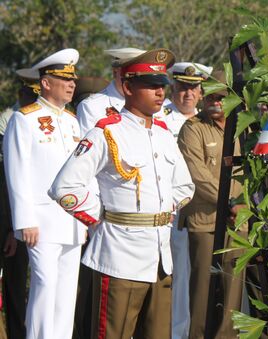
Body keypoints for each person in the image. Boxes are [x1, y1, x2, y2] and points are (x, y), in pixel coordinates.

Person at [48, 48, 194, 339]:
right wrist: (103, 215)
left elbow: (184, 185)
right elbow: (64, 187)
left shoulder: (164, 134)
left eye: (162, 85)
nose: (160, 92)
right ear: (127, 87)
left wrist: (160, 212)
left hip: (160, 257)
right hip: (119, 256)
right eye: (150, 85)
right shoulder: (106, 132)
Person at [3, 48, 87, 339]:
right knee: (44, 286)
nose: (71, 84)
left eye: (72, 79)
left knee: (66, 293)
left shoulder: (73, 121)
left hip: (71, 222)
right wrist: (23, 220)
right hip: (40, 222)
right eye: (64, 79)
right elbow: (16, 172)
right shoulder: (24, 119)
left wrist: (84, 218)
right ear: (46, 83)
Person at [177, 70, 247, 339]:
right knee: (203, 291)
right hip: (206, 221)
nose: (215, 101)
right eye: (211, 95)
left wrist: (242, 207)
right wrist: (230, 202)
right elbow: (198, 175)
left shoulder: (243, 128)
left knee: (232, 293)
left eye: (222, 96)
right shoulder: (192, 128)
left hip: (239, 221)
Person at [160, 61, 212, 339]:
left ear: (201, 91)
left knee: (192, 279)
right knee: (172, 278)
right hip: (167, 213)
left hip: (197, 213)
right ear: (173, 88)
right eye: (182, 88)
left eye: (194, 89)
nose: (188, 94)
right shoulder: (160, 118)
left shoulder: (208, 120)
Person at [0, 71, 37, 339]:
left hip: (21, 215)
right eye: (29, 94)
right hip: (7, 208)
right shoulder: (8, 120)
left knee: (18, 283)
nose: (32, 99)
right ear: (21, 94)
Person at [76, 47, 146, 135]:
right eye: (129, 73)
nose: (134, 78)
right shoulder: (91, 106)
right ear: (115, 72)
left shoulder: (152, 105)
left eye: (139, 74)